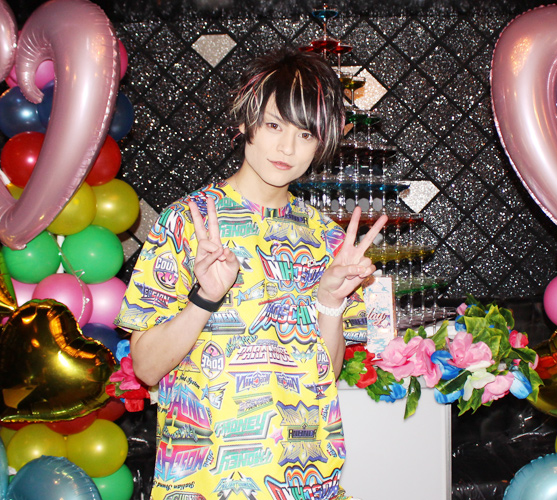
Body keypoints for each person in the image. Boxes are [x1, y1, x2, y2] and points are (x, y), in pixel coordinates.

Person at [114, 47, 387, 500]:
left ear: (322, 143)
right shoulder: (188, 222)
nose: (287, 148)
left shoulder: (327, 239)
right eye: (275, 125)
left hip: (305, 479)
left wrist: (330, 303)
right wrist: (204, 298)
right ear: (246, 122)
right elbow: (146, 367)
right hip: (204, 483)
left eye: (305, 134)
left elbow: (324, 375)